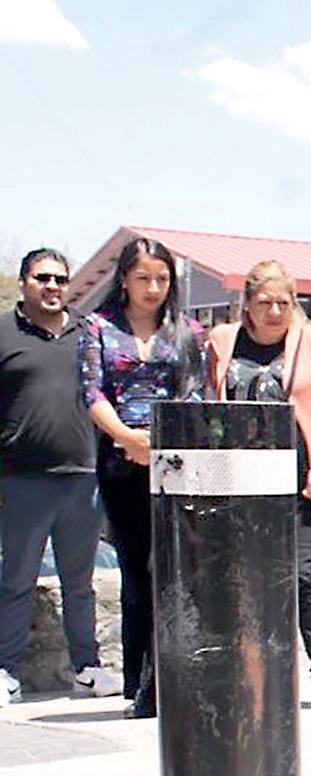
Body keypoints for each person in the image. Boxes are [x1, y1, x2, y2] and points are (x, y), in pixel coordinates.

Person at [206, 260, 311, 712]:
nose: (275, 312)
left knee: (304, 577)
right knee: (239, 581)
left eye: (284, 303)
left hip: (299, 480)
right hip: (238, 480)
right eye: (265, 303)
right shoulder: (222, 341)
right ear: (247, 304)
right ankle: (243, 676)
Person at [80, 236, 205, 718]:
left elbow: (194, 393)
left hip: (175, 461)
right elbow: (93, 392)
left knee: (173, 570)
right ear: (125, 280)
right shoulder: (99, 327)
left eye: (162, 279)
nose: (153, 288)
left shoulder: (187, 330)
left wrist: (163, 442)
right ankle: (140, 683)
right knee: (136, 571)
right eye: (143, 278)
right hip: (121, 459)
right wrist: (128, 439)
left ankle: (176, 676)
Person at [0, 248, 118, 705]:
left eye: (60, 279)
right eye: (42, 278)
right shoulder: (4, 333)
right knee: (16, 581)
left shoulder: (88, 333)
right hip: (21, 479)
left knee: (80, 583)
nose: (52, 287)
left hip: (83, 478)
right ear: (24, 282)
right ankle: (7, 673)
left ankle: (87, 669)